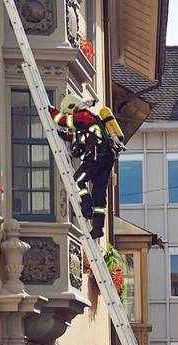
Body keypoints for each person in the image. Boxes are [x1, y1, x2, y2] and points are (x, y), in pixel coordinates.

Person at [49, 94, 121, 239]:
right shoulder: (92, 119)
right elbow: (82, 138)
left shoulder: (82, 116)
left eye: (69, 112)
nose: (69, 115)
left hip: (95, 158)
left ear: (73, 107)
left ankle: (87, 208)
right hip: (106, 158)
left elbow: (63, 121)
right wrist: (67, 136)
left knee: (77, 181)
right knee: (99, 195)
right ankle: (98, 228)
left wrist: (52, 112)